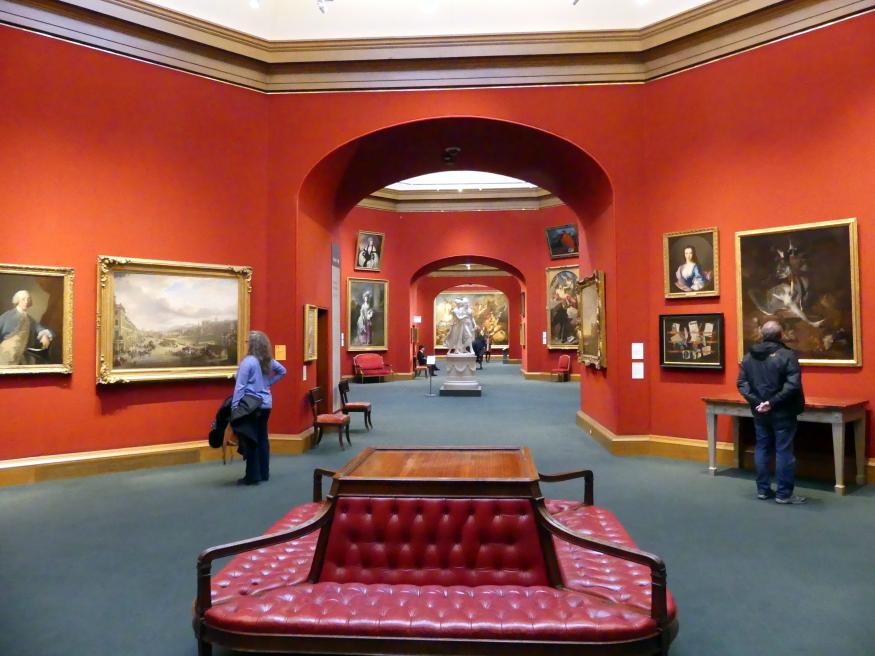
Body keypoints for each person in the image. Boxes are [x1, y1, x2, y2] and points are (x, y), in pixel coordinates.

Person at [737, 320, 807, 504]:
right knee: (784, 451)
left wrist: (758, 402)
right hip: (783, 410)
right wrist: (771, 402)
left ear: (762, 334)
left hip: (760, 412)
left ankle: (763, 490)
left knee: (762, 448)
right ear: (781, 335)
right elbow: (792, 384)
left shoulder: (748, 356)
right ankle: (784, 494)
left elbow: (742, 384)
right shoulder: (787, 355)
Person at [231, 330, 287, 486]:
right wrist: (268, 383)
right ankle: (264, 473)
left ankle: (252, 476)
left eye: (248, 342)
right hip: (266, 404)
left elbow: (240, 386)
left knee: (251, 439)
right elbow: (283, 371)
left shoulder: (248, 362)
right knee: (263, 438)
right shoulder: (268, 360)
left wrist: (235, 407)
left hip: (251, 405)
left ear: (252, 345)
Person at [0, 290, 53, 365]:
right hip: (6, 353)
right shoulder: (8, 315)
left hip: (20, 353)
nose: (26, 302)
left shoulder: (28, 318)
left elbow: (38, 327)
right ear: (17, 301)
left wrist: (44, 335)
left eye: (28, 299)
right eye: (23, 299)